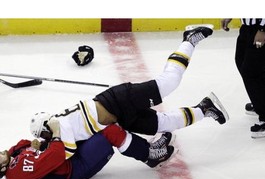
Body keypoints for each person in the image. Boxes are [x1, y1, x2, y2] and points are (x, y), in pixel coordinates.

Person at [30, 26, 229, 161]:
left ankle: (189, 40)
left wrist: (43, 146)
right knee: (165, 123)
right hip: (120, 119)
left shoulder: (60, 127)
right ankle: (205, 108)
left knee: (169, 82)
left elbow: (66, 152)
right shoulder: (59, 130)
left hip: (118, 101)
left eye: (44, 133)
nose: (46, 137)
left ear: (48, 124)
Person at [0, 118, 175, 179]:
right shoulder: (16, 172)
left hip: (71, 153)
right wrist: (56, 134)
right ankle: (150, 156)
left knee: (101, 121)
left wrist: (36, 144)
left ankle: (147, 149)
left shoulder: (12, 156)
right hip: (77, 166)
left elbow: (28, 145)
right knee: (109, 131)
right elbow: (55, 155)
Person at [221, 19, 265, 138]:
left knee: (254, 71)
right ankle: (260, 102)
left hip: (262, 27)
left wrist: (262, 29)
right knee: (242, 63)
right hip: (247, 27)